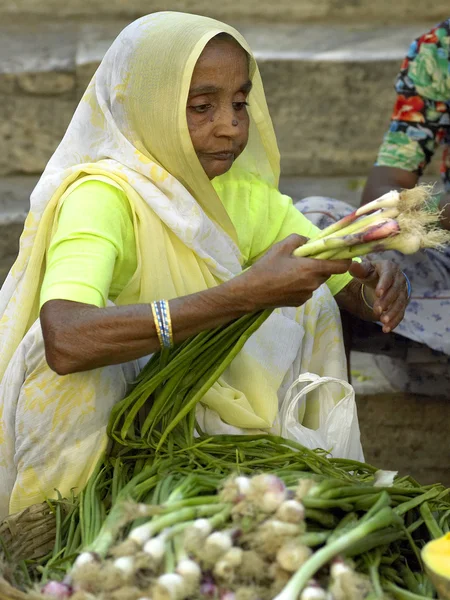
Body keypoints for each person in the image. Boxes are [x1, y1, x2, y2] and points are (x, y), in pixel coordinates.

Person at [0, 13, 409, 519]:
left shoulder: (240, 196)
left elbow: (341, 276)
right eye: (201, 107)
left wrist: (376, 286)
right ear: (150, 106)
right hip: (111, 430)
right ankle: (51, 521)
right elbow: (64, 339)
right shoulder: (103, 196)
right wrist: (244, 295)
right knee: (64, 362)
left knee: (313, 298)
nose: (231, 126)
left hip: (197, 434)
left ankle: (284, 490)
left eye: (240, 103)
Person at [296, 20, 450, 395]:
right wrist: (440, 211)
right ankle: (323, 439)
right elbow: (383, 190)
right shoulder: (439, 52)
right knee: (316, 227)